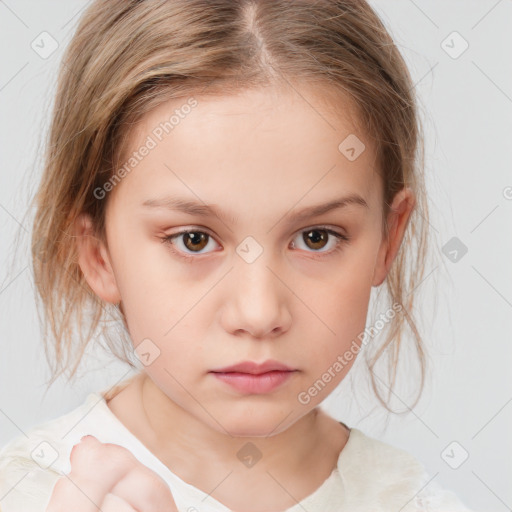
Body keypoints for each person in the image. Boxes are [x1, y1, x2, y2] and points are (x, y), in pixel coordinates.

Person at [0, 0, 474, 511]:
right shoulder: (31, 494)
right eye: (194, 240)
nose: (259, 313)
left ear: (388, 238)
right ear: (98, 255)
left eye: (316, 237)